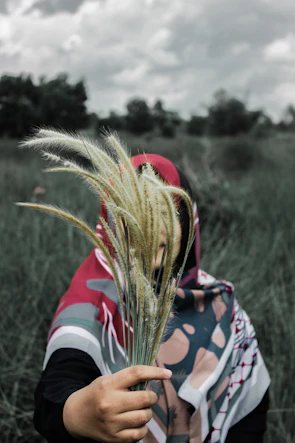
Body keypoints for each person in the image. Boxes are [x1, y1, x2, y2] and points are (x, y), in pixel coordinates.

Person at [34, 154, 270, 443]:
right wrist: (78, 412)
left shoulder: (219, 302)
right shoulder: (91, 301)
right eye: (134, 211)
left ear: (187, 219)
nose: (152, 226)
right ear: (110, 221)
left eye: (167, 210)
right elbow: (58, 385)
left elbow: (250, 410)